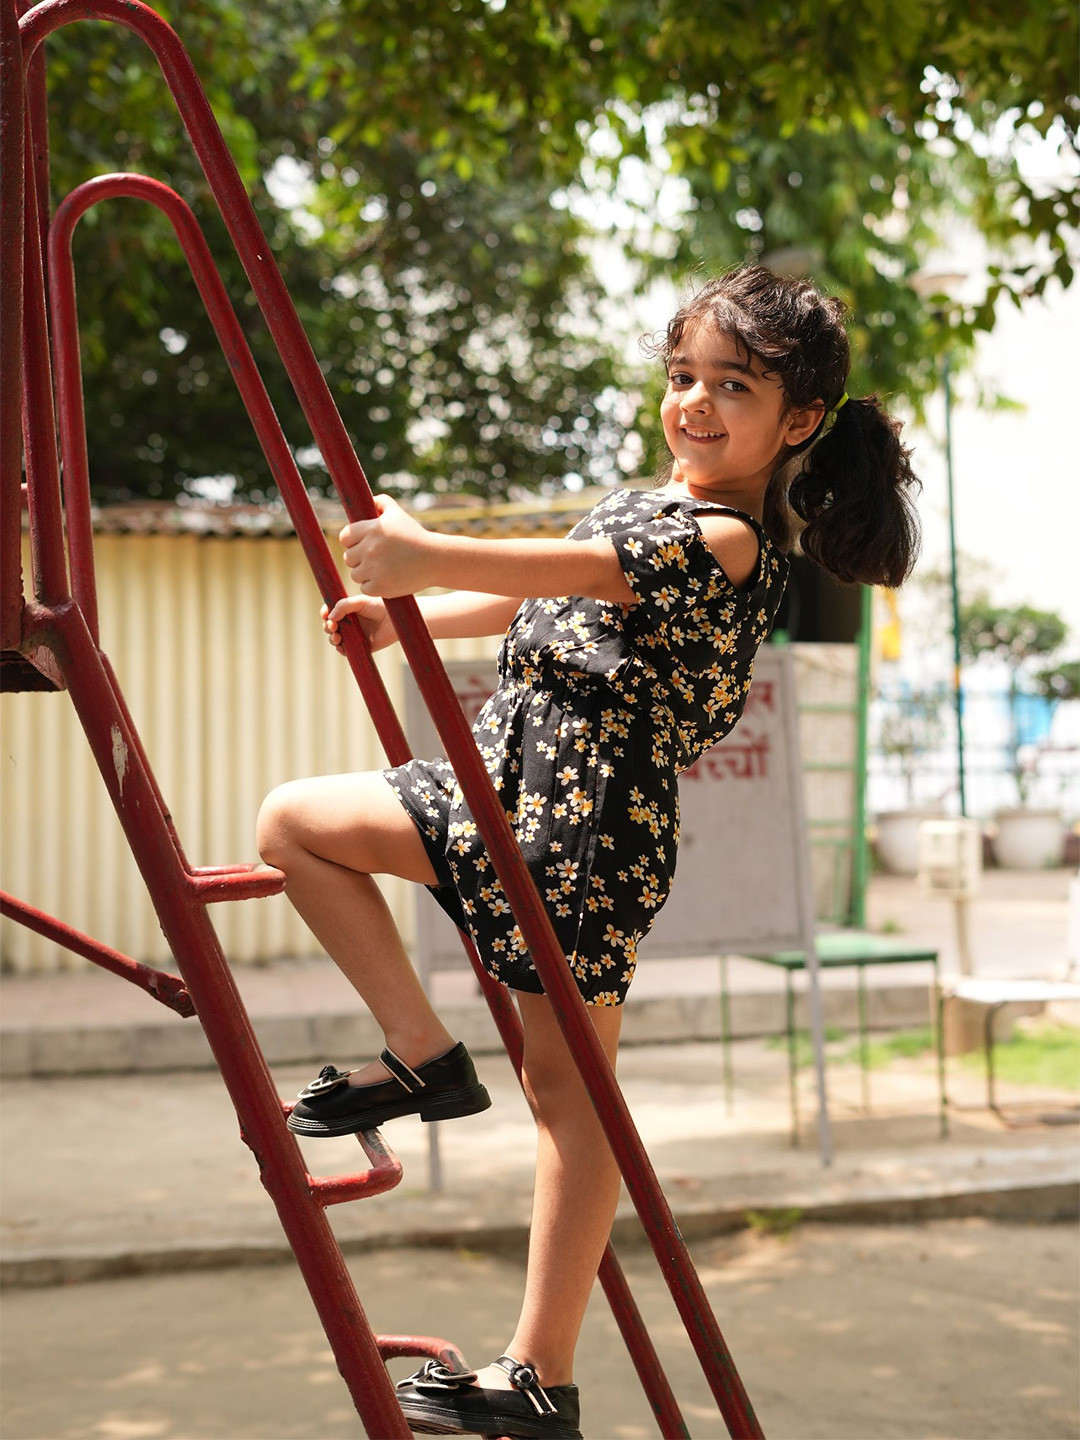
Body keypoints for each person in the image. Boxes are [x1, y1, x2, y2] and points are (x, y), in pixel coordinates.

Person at [256, 263, 920, 1438]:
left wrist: (429, 552)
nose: (696, 404)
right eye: (684, 376)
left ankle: (539, 1370)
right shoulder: (646, 502)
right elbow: (538, 600)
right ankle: (424, 1056)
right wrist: (405, 616)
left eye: (734, 387)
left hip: (587, 821)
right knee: (294, 824)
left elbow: (574, 573)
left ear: (798, 422)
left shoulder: (728, 540)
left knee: (571, 1098)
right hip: (499, 777)